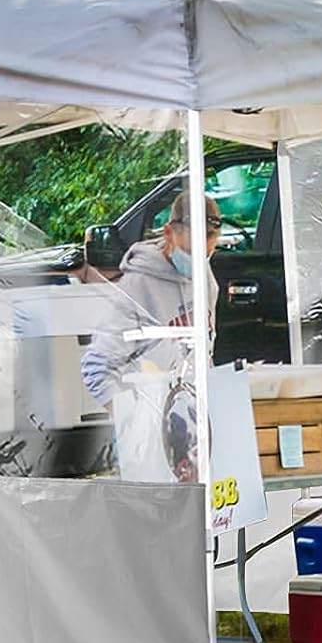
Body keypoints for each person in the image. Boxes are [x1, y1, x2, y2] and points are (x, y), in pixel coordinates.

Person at [80, 190, 222, 479]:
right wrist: (134, 420)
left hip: (197, 435)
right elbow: (96, 367)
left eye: (209, 243)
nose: (201, 254)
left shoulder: (204, 275)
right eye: (192, 246)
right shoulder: (137, 287)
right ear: (169, 233)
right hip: (150, 447)